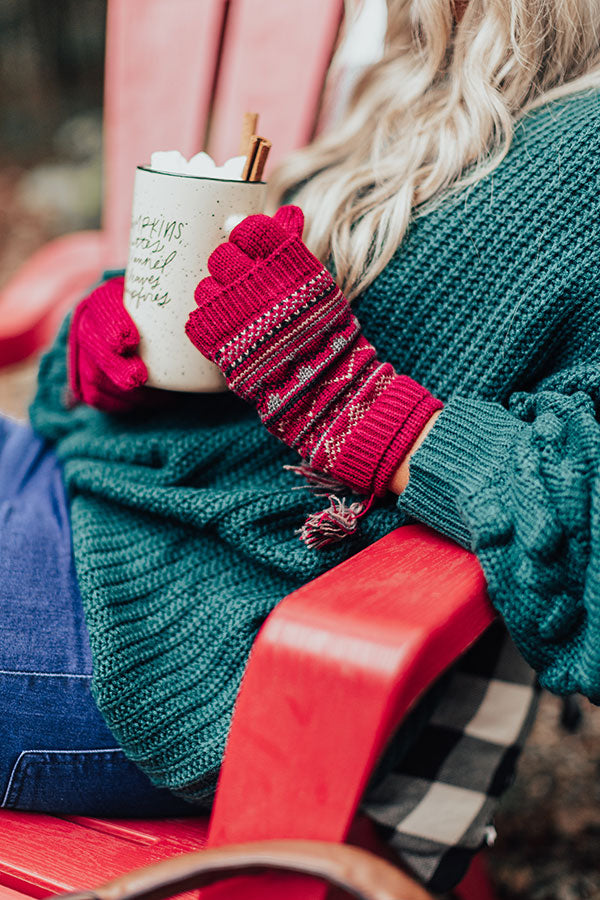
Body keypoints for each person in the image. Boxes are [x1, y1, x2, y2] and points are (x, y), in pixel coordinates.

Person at [2, 0, 600, 892]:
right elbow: (228, 350)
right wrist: (104, 346)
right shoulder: (415, 91)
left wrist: (353, 404)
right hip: (97, 496)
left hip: (168, 637)